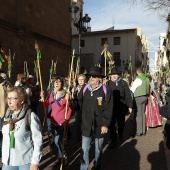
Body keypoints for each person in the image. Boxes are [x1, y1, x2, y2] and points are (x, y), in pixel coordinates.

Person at [78, 66, 113, 170]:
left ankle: (97, 165)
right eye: (90, 76)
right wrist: (70, 100)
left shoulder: (105, 90)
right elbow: (78, 104)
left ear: (99, 78)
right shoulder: (85, 89)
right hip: (86, 124)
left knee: (98, 148)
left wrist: (105, 124)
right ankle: (83, 167)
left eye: (94, 76)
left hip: (99, 125)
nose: (91, 78)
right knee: (84, 148)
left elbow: (108, 108)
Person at [2, 86, 42, 170]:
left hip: (25, 162)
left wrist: (35, 162)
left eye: (13, 99)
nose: (9, 102)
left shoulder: (30, 116)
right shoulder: (7, 116)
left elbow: (38, 140)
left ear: (22, 100)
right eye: (8, 98)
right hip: (8, 161)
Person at [40, 76, 72, 165]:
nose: (56, 84)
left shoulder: (66, 95)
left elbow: (69, 109)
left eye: (58, 82)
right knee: (57, 140)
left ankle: (63, 156)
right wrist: (42, 98)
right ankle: (60, 156)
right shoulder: (52, 94)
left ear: (62, 84)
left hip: (61, 122)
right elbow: (46, 105)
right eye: (55, 82)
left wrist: (67, 120)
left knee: (58, 140)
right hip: (53, 120)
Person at [107, 68, 133, 148]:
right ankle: (113, 140)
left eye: (115, 74)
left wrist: (130, 106)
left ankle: (120, 134)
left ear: (118, 75)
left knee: (121, 122)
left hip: (121, 106)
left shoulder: (123, 83)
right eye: (112, 75)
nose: (114, 76)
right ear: (110, 76)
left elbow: (128, 95)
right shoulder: (107, 84)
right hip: (111, 107)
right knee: (111, 124)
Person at [131, 68, 150, 136]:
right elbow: (148, 89)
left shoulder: (138, 79)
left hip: (138, 97)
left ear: (137, 72)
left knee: (138, 114)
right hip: (145, 97)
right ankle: (143, 130)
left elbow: (132, 89)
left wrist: (132, 84)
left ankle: (139, 131)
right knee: (142, 113)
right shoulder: (146, 79)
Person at [71, 74, 86, 144]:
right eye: (79, 80)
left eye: (82, 80)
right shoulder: (76, 88)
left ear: (85, 80)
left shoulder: (87, 87)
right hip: (78, 109)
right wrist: (72, 92)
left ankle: (85, 137)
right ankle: (79, 138)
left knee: (85, 124)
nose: (81, 81)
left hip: (85, 109)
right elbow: (73, 98)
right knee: (77, 124)